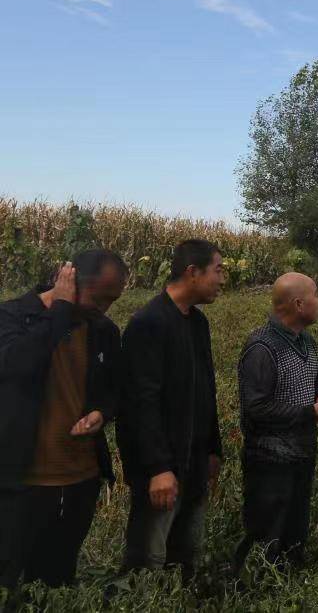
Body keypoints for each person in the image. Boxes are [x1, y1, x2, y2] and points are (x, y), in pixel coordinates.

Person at [0, 252, 127, 596]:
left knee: (58, 578)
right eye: (98, 299)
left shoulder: (102, 331)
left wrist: (102, 412)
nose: (104, 309)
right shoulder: (11, 317)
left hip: (79, 478)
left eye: (112, 301)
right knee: (11, 580)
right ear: (66, 280)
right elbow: (18, 365)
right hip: (23, 481)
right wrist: (58, 310)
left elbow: (114, 389)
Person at [117, 239, 224, 580]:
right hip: (162, 470)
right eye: (218, 271)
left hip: (193, 463)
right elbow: (140, 404)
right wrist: (158, 468)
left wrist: (212, 448)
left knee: (185, 556)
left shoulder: (197, 323)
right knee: (149, 560)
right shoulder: (149, 322)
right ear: (192, 272)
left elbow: (206, 391)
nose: (222, 280)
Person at [232, 273, 318, 574]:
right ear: (298, 303)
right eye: (316, 295)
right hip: (269, 458)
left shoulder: (307, 341)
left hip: (302, 452)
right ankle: (254, 588)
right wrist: (310, 412)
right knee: (266, 533)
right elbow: (256, 408)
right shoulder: (261, 348)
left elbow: (316, 383)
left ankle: (290, 582)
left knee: (295, 529)